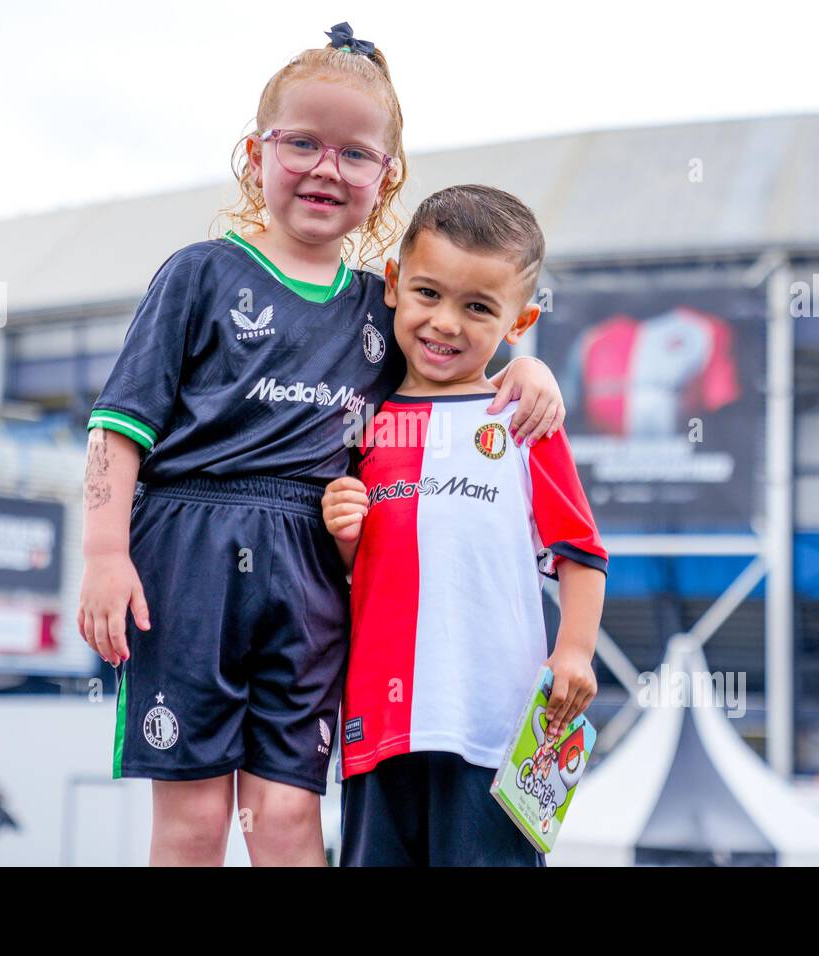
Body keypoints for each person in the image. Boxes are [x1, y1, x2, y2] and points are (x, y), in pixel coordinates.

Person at [77, 25, 567, 866]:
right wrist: (103, 555)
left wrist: (533, 367)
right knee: (195, 823)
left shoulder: (380, 308)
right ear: (254, 155)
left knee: (285, 821)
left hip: (309, 569)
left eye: (353, 153)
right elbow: (117, 428)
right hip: (188, 555)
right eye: (301, 143)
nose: (324, 168)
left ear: (386, 179)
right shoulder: (197, 274)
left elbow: (456, 339)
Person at [321, 184, 608, 866]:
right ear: (393, 284)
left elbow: (581, 550)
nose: (446, 322)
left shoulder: (523, 419)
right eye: (428, 294)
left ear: (519, 320)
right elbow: (344, 579)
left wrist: (575, 653)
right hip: (376, 732)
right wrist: (343, 537)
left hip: (496, 731)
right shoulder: (357, 421)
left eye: (478, 307)